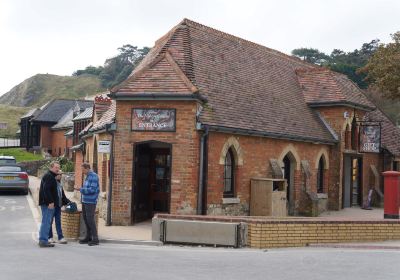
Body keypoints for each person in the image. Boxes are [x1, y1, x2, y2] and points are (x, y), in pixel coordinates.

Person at [74, 162, 100, 246]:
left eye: (83, 169)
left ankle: (95, 239)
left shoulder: (94, 176)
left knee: (90, 220)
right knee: (86, 219)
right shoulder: (88, 176)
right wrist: (81, 189)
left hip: (91, 202)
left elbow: (92, 189)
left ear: (87, 168)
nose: (82, 171)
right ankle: (88, 237)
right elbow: (87, 188)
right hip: (85, 201)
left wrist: (80, 189)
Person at [38, 161, 60, 248]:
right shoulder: (49, 176)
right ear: (51, 168)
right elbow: (46, 189)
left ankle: (43, 239)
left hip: (46, 203)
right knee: (46, 222)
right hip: (48, 204)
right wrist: (50, 202)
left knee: (46, 222)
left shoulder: (50, 176)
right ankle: (43, 240)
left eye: (58, 167)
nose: (58, 169)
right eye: (56, 168)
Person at [48, 170, 70, 244]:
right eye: (59, 174)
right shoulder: (51, 183)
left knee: (58, 222)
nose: (60, 176)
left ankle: (60, 237)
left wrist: (68, 202)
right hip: (52, 206)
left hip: (58, 206)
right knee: (50, 222)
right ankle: (50, 237)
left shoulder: (60, 184)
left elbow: (62, 196)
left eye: (61, 174)